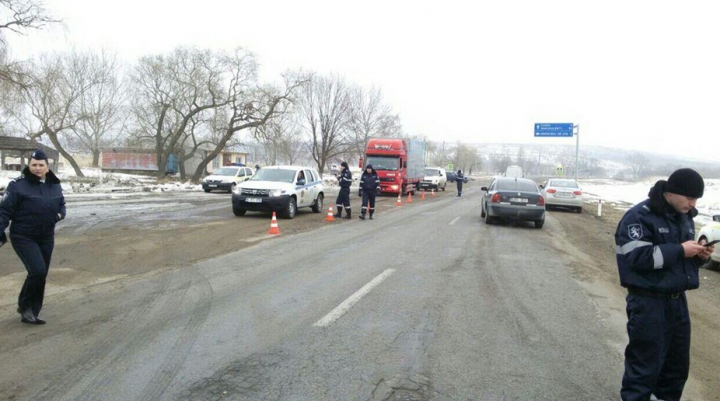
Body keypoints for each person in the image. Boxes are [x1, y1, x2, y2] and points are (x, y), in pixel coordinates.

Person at [615, 168, 713, 401]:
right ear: (672, 192)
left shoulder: (684, 218)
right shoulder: (639, 216)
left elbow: (678, 263)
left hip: (678, 303)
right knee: (644, 369)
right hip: (648, 303)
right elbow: (637, 258)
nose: (693, 203)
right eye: (689, 197)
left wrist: (700, 255)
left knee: (676, 370)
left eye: (696, 199)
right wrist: (680, 249)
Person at [0, 149, 66, 325]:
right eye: (34, 165)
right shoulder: (17, 185)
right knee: (37, 270)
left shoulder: (54, 184)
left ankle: (30, 307)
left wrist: (59, 215)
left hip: (46, 236)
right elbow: (4, 211)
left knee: (40, 274)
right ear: (29, 166)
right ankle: (27, 310)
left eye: (41, 165)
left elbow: (61, 204)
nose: (37, 168)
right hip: (23, 236)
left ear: (47, 166)